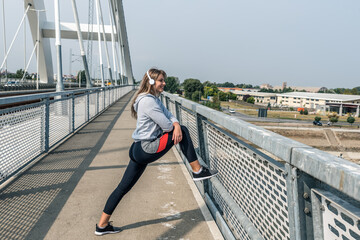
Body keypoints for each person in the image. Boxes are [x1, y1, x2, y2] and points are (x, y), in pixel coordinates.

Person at [95, 68, 218, 236]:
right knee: (183, 130)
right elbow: (167, 125)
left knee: (122, 187)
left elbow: (169, 116)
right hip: (146, 148)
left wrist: (174, 124)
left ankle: (102, 225)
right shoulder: (148, 102)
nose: (164, 83)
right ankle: (197, 170)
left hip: (138, 148)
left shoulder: (153, 99)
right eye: (161, 80)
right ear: (151, 82)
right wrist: (175, 125)